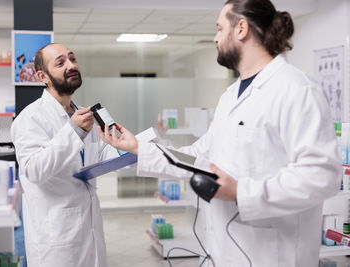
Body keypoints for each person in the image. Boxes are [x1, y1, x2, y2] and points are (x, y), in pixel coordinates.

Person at [98, 0, 342, 266]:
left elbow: (322, 175)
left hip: (273, 255)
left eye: (218, 28)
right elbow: (199, 156)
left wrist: (241, 192)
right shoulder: (231, 95)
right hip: (225, 250)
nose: (215, 38)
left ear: (241, 28)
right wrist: (137, 147)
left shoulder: (295, 89)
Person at [11, 43, 119, 267]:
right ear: (43, 76)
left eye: (72, 59)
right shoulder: (30, 118)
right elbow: (33, 170)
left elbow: (97, 155)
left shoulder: (82, 114)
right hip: (55, 240)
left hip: (89, 232)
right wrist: (74, 131)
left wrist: (124, 147)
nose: (71, 65)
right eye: (60, 62)